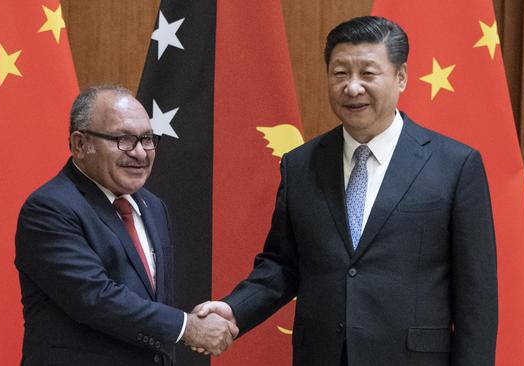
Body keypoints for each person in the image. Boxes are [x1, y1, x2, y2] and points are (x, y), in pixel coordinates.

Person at [194, 16, 498, 366]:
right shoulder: (300, 164)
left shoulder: (455, 165)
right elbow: (282, 264)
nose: (352, 88)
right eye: (340, 73)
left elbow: (477, 296)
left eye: (368, 74)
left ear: (401, 77)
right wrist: (235, 310)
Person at [15, 85, 237, 365]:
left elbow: (154, 303)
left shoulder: (153, 207)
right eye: (123, 139)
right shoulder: (50, 208)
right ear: (81, 144)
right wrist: (187, 327)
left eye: (146, 139)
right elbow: (95, 298)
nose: (141, 153)